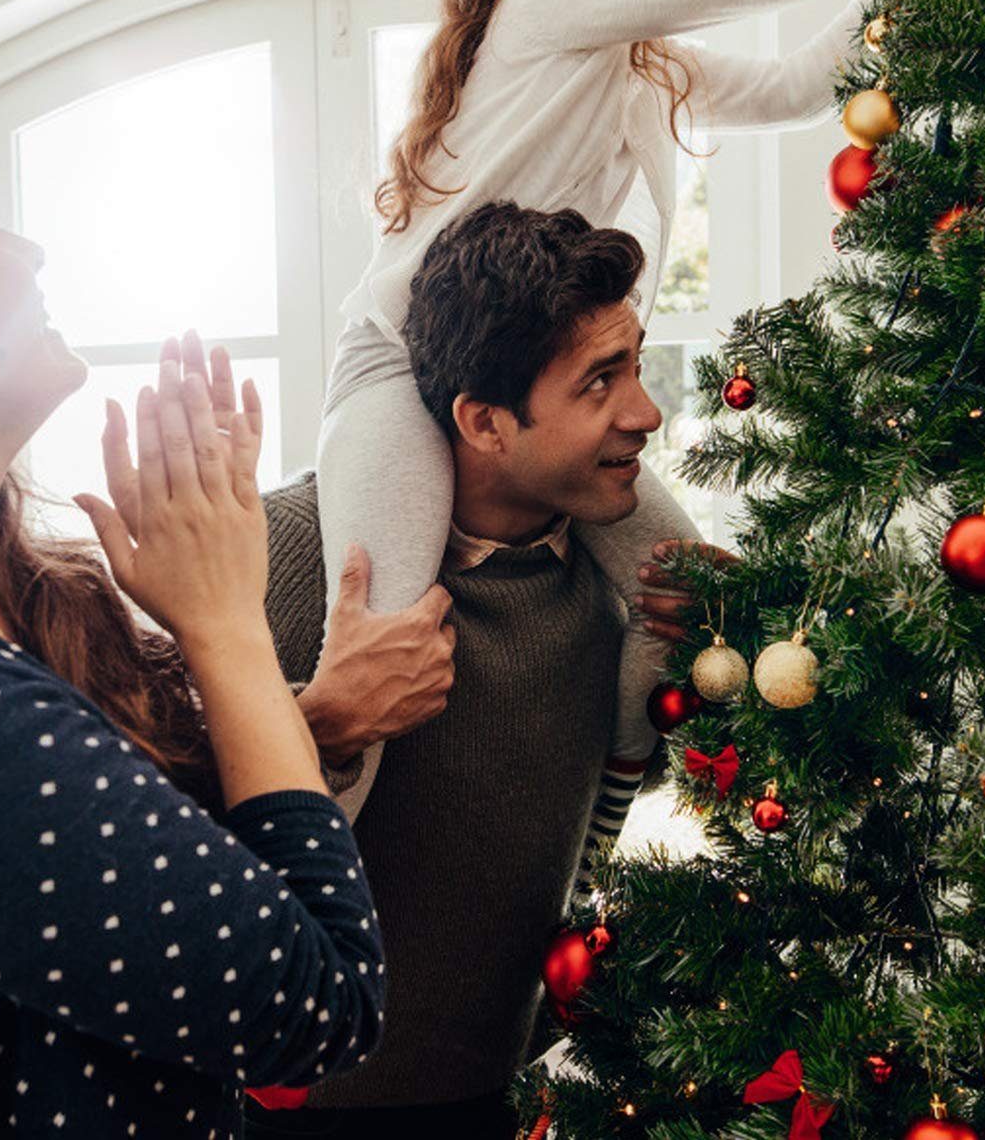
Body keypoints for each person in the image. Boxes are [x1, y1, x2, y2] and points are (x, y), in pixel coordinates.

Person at [316, 0, 985, 823]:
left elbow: (800, 87)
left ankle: (612, 802)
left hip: (536, 376)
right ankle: (308, 876)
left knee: (688, 595)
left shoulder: (634, 54)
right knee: (383, 638)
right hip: (407, 365)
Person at [246, 202, 702, 1138]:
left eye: (638, 364)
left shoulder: (618, 584)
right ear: (485, 422)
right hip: (286, 1108)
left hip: (508, 1090)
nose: (646, 412)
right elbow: (165, 831)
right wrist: (324, 721)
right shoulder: (293, 556)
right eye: (600, 383)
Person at [0, 192, 386, 1137]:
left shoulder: (39, 603)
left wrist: (309, 714)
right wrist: (226, 622)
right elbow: (325, 1003)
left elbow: (151, 873)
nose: (31, 247)